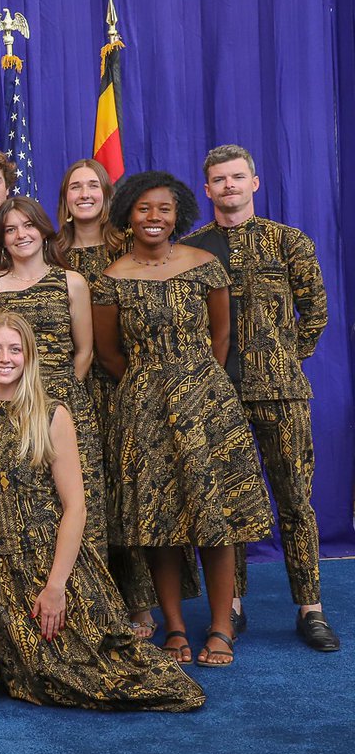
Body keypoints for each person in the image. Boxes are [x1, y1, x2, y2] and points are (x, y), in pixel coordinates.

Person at [0, 312, 204, 710]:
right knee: (29, 675)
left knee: (91, 671)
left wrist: (56, 586)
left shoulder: (51, 415)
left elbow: (76, 507)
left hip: (44, 559)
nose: (5, 358)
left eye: (15, 349)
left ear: (29, 357)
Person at [92, 171, 274, 668]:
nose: (154, 218)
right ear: (127, 213)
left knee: (216, 520)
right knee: (159, 522)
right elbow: (109, 354)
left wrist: (191, 385)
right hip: (144, 411)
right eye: (144, 208)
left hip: (207, 406)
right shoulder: (111, 279)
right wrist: (154, 386)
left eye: (165, 209)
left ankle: (219, 627)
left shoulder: (205, 266)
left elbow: (221, 339)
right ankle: (174, 626)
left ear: (180, 215)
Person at [181, 144, 337, 651]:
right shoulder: (194, 249)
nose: (228, 186)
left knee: (294, 500)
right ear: (207, 190)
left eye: (236, 177)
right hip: (217, 394)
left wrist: (283, 359)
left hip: (281, 393)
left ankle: (310, 607)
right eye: (218, 180)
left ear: (254, 182)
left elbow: (314, 312)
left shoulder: (287, 242)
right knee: (229, 502)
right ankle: (233, 605)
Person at [54, 159, 165, 639]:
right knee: (83, 498)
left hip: (126, 387)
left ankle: (140, 602)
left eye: (93, 185)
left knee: (127, 493)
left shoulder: (128, 244)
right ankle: (91, 596)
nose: (85, 193)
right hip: (72, 393)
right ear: (65, 196)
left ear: (107, 192)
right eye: (75, 186)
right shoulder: (52, 249)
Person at [0, 197, 103, 555]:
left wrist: (61, 399)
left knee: (81, 503)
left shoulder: (71, 282)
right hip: (11, 408)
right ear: (1, 239)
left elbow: (84, 351)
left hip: (65, 405)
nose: (21, 235)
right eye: (10, 229)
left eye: (28, 225)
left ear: (43, 229)